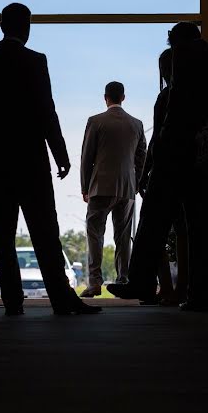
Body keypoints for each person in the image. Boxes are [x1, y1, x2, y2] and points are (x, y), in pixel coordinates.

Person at [0, 2, 101, 316]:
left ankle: (13, 302)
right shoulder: (35, 61)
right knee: (45, 230)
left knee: (2, 233)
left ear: (2, 26)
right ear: (26, 27)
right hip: (31, 161)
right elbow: (46, 110)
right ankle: (61, 298)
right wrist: (60, 154)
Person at [108, 22, 208, 311]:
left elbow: (176, 111)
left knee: (153, 219)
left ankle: (141, 280)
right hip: (201, 156)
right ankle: (198, 293)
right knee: (199, 225)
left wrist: (158, 154)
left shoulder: (185, 55)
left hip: (177, 154)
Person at [79, 81, 147, 298]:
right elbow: (142, 156)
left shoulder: (96, 122)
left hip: (100, 186)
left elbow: (86, 157)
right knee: (123, 236)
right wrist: (136, 182)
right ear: (123, 97)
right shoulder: (136, 124)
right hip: (127, 188)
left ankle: (95, 283)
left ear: (105, 97)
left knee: (95, 234)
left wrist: (85, 186)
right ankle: (123, 279)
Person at [139, 49, 187, 306]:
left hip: (165, 170)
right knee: (183, 230)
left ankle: (164, 286)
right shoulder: (194, 96)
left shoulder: (165, 98)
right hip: (187, 169)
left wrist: (145, 172)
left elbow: (157, 139)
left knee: (154, 228)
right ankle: (182, 287)